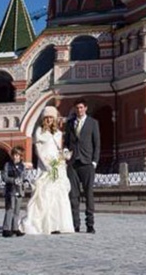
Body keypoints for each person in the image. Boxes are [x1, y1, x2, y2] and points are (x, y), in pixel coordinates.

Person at [22, 106, 73, 235]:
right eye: (47, 117)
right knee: (44, 195)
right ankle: (46, 225)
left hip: (58, 166)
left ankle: (59, 225)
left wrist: (63, 155)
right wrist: (48, 164)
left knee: (58, 195)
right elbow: (38, 151)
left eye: (51, 117)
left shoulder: (58, 133)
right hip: (46, 167)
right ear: (44, 119)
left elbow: (58, 149)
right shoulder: (39, 132)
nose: (49, 120)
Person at [64, 99, 100, 234]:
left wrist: (94, 161)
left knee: (88, 194)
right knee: (73, 195)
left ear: (85, 108)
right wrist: (66, 152)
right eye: (77, 108)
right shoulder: (70, 123)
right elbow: (66, 142)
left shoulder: (93, 123)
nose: (79, 110)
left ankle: (90, 224)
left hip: (87, 163)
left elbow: (97, 143)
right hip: (73, 163)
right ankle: (75, 224)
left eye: (81, 107)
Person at [1, 146, 28, 237]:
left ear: (21, 156)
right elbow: (4, 177)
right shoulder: (7, 165)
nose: (16, 157)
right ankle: (6, 229)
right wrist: (13, 180)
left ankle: (15, 228)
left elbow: (24, 176)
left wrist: (25, 182)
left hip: (19, 190)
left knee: (17, 210)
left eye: (18, 155)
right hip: (10, 190)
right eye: (14, 155)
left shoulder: (22, 166)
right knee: (9, 209)